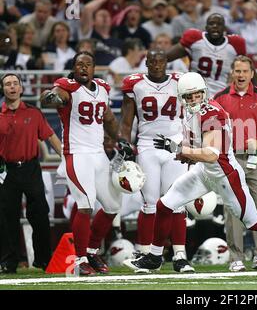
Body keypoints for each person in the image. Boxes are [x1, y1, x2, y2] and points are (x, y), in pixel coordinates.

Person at [122, 71, 257, 273]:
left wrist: (180, 150)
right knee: (164, 205)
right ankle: (154, 256)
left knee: (253, 220)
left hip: (225, 175)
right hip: (205, 172)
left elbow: (212, 154)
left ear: (204, 92)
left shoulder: (211, 113)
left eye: (197, 94)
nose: (194, 99)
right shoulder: (189, 112)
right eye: (189, 96)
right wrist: (185, 153)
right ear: (182, 97)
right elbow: (197, 148)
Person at [40, 51, 134, 276]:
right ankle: (79, 259)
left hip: (99, 155)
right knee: (85, 205)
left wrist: (120, 140)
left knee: (112, 206)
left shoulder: (102, 88)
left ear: (94, 69)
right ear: (74, 68)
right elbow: (52, 97)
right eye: (79, 64)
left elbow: (109, 118)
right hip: (76, 155)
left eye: (88, 64)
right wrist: (50, 97)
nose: (83, 67)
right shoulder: (67, 86)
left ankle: (91, 251)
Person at [120, 49, 194, 273]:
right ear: (146, 63)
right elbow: (126, 120)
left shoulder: (180, 81)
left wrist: (191, 143)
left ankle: (180, 256)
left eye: (160, 61)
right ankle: (147, 254)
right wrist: (125, 142)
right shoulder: (135, 84)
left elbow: (192, 113)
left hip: (174, 146)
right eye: (152, 61)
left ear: (167, 62)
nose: (156, 65)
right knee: (150, 202)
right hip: (148, 145)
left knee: (177, 201)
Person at [214, 55, 257, 272]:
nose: (241, 75)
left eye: (245, 71)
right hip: (230, 159)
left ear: (252, 74)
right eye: (237, 71)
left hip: (256, 159)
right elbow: (211, 129)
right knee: (232, 208)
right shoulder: (220, 98)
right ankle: (236, 257)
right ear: (232, 73)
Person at [0, 73, 61, 274]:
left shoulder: (34, 113)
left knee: (40, 214)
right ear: (3, 89)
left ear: (21, 89)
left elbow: (50, 136)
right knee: (7, 217)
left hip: (31, 168)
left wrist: (67, 158)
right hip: (6, 171)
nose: (12, 87)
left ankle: (43, 259)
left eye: (15, 83)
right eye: (7, 84)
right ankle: (9, 262)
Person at [167, 13, 246, 96]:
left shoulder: (235, 45)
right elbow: (165, 58)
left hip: (221, 95)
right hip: (195, 92)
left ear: (224, 28)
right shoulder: (195, 40)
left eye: (219, 24)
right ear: (206, 27)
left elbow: (249, 71)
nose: (215, 26)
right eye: (211, 23)